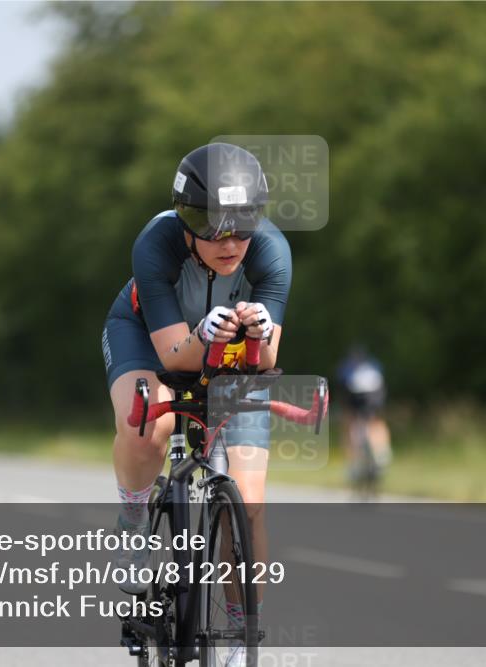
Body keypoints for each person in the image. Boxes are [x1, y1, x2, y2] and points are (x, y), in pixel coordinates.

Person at [101, 143, 291, 619]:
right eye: (212, 230)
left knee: (248, 505)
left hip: (232, 361)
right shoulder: (155, 243)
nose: (229, 245)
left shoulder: (272, 252)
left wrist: (261, 330)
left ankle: (240, 633)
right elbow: (171, 355)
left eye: (241, 229)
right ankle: (134, 516)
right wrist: (205, 332)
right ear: (186, 221)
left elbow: (267, 358)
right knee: (148, 426)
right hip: (147, 336)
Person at [337, 346, 392, 488]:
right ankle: (382, 453)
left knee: (349, 422)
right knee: (376, 421)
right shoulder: (374, 364)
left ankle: (353, 464)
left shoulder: (346, 366)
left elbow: (342, 388)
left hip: (355, 394)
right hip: (375, 393)